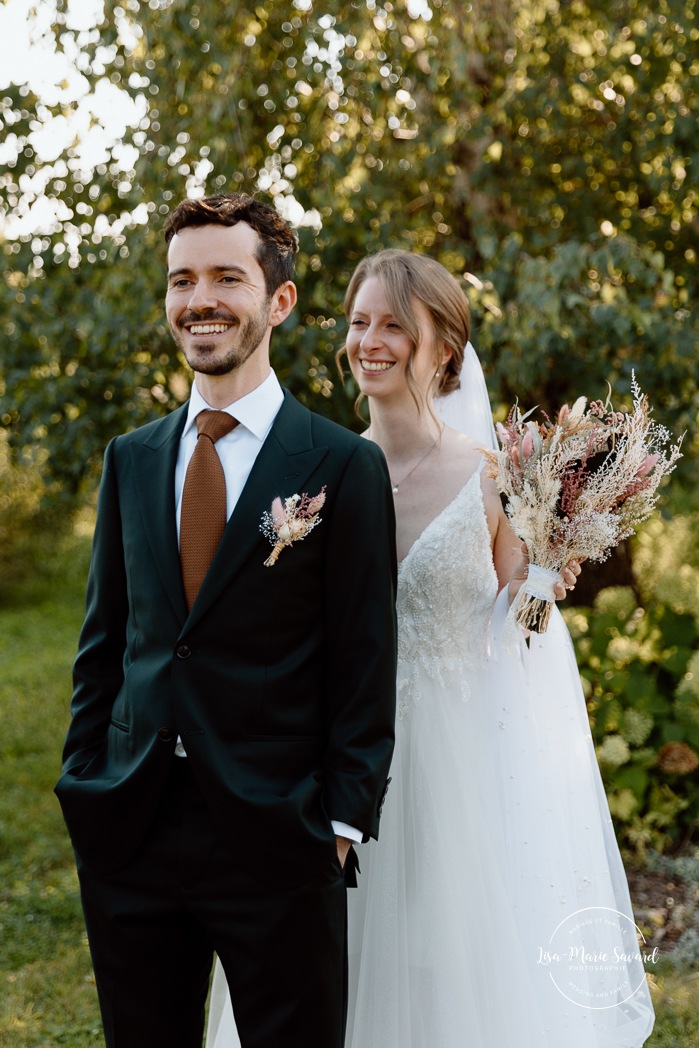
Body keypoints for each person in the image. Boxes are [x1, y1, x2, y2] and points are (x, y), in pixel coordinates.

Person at [206, 248, 655, 1048]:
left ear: (443, 346)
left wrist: (546, 578)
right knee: (319, 965)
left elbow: (522, 632)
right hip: (335, 753)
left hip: (459, 761)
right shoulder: (314, 472)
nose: (368, 341)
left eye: (392, 325)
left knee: (450, 969)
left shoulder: (496, 479)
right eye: (357, 323)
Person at [54, 194, 397, 1048]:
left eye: (224, 278)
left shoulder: (341, 466)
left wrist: (341, 828)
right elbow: (106, 642)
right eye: (181, 280)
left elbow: (364, 660)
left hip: (280, 834)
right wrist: (84, 781)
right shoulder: (130, 458)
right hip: (130, 824)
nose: (198, 298)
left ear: (277, 301)